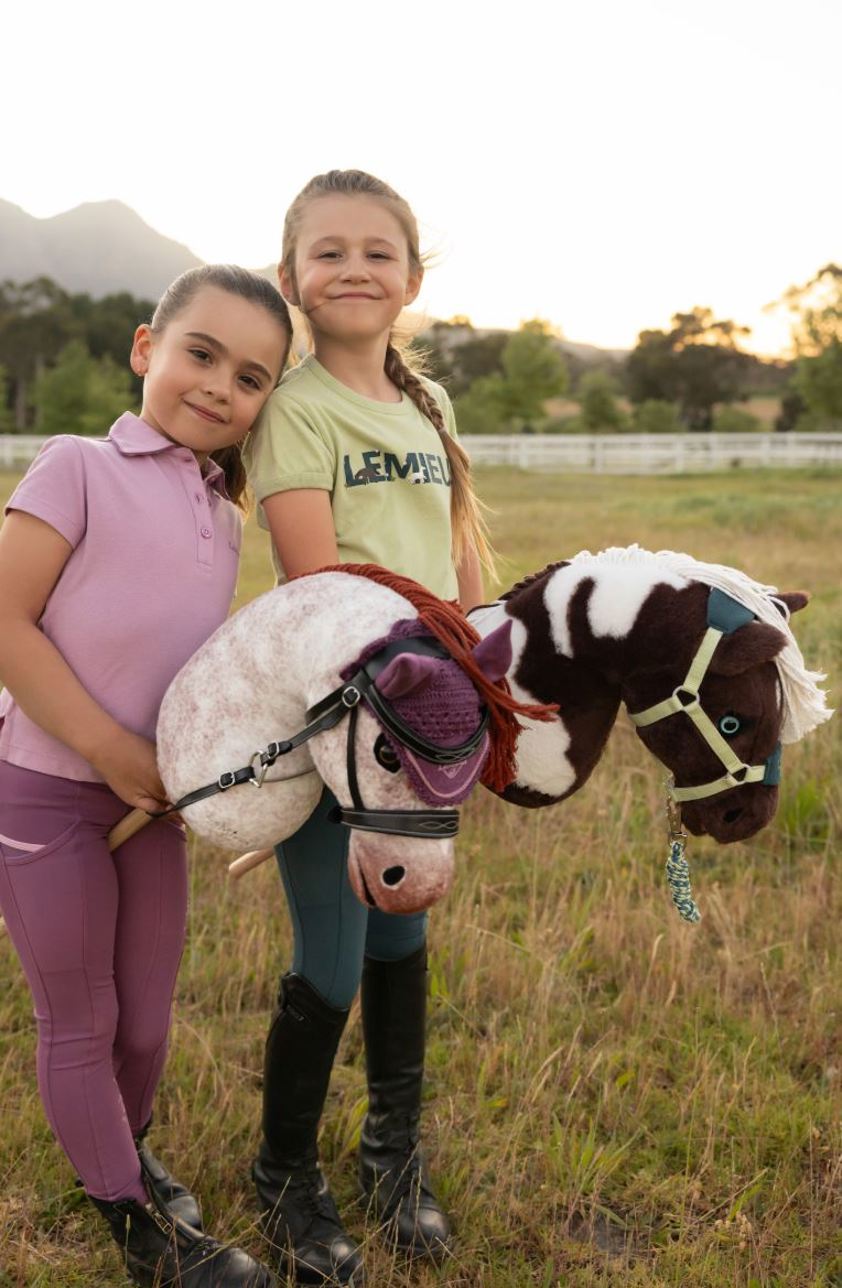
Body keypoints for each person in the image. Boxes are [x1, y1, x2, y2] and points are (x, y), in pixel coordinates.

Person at [0, 265, 292, 1288]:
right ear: (145, 349)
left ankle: (120, 1149)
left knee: (147, 1020)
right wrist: (108, 752)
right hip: (43, 789)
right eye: (200, 354)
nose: (218, 386)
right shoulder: (77, 465)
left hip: (152, 802)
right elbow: (6, 621)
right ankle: (140, 1231)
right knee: (78, 1017)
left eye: (249, 376)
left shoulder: (225, 518)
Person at [243, 170, 494, 1285]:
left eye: (376, 251)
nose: (352, 267)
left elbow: (462, 557)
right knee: (332, 956)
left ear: (411, 279)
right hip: (346, 714)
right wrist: (428, 665)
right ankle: (284, 1171)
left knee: (402, 936)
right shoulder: (295, 408)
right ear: (292, 276)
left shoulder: (427, 408)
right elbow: (322, 580)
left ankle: (394, 1154)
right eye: (328, 250)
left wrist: (485, 667)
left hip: (432, 718)